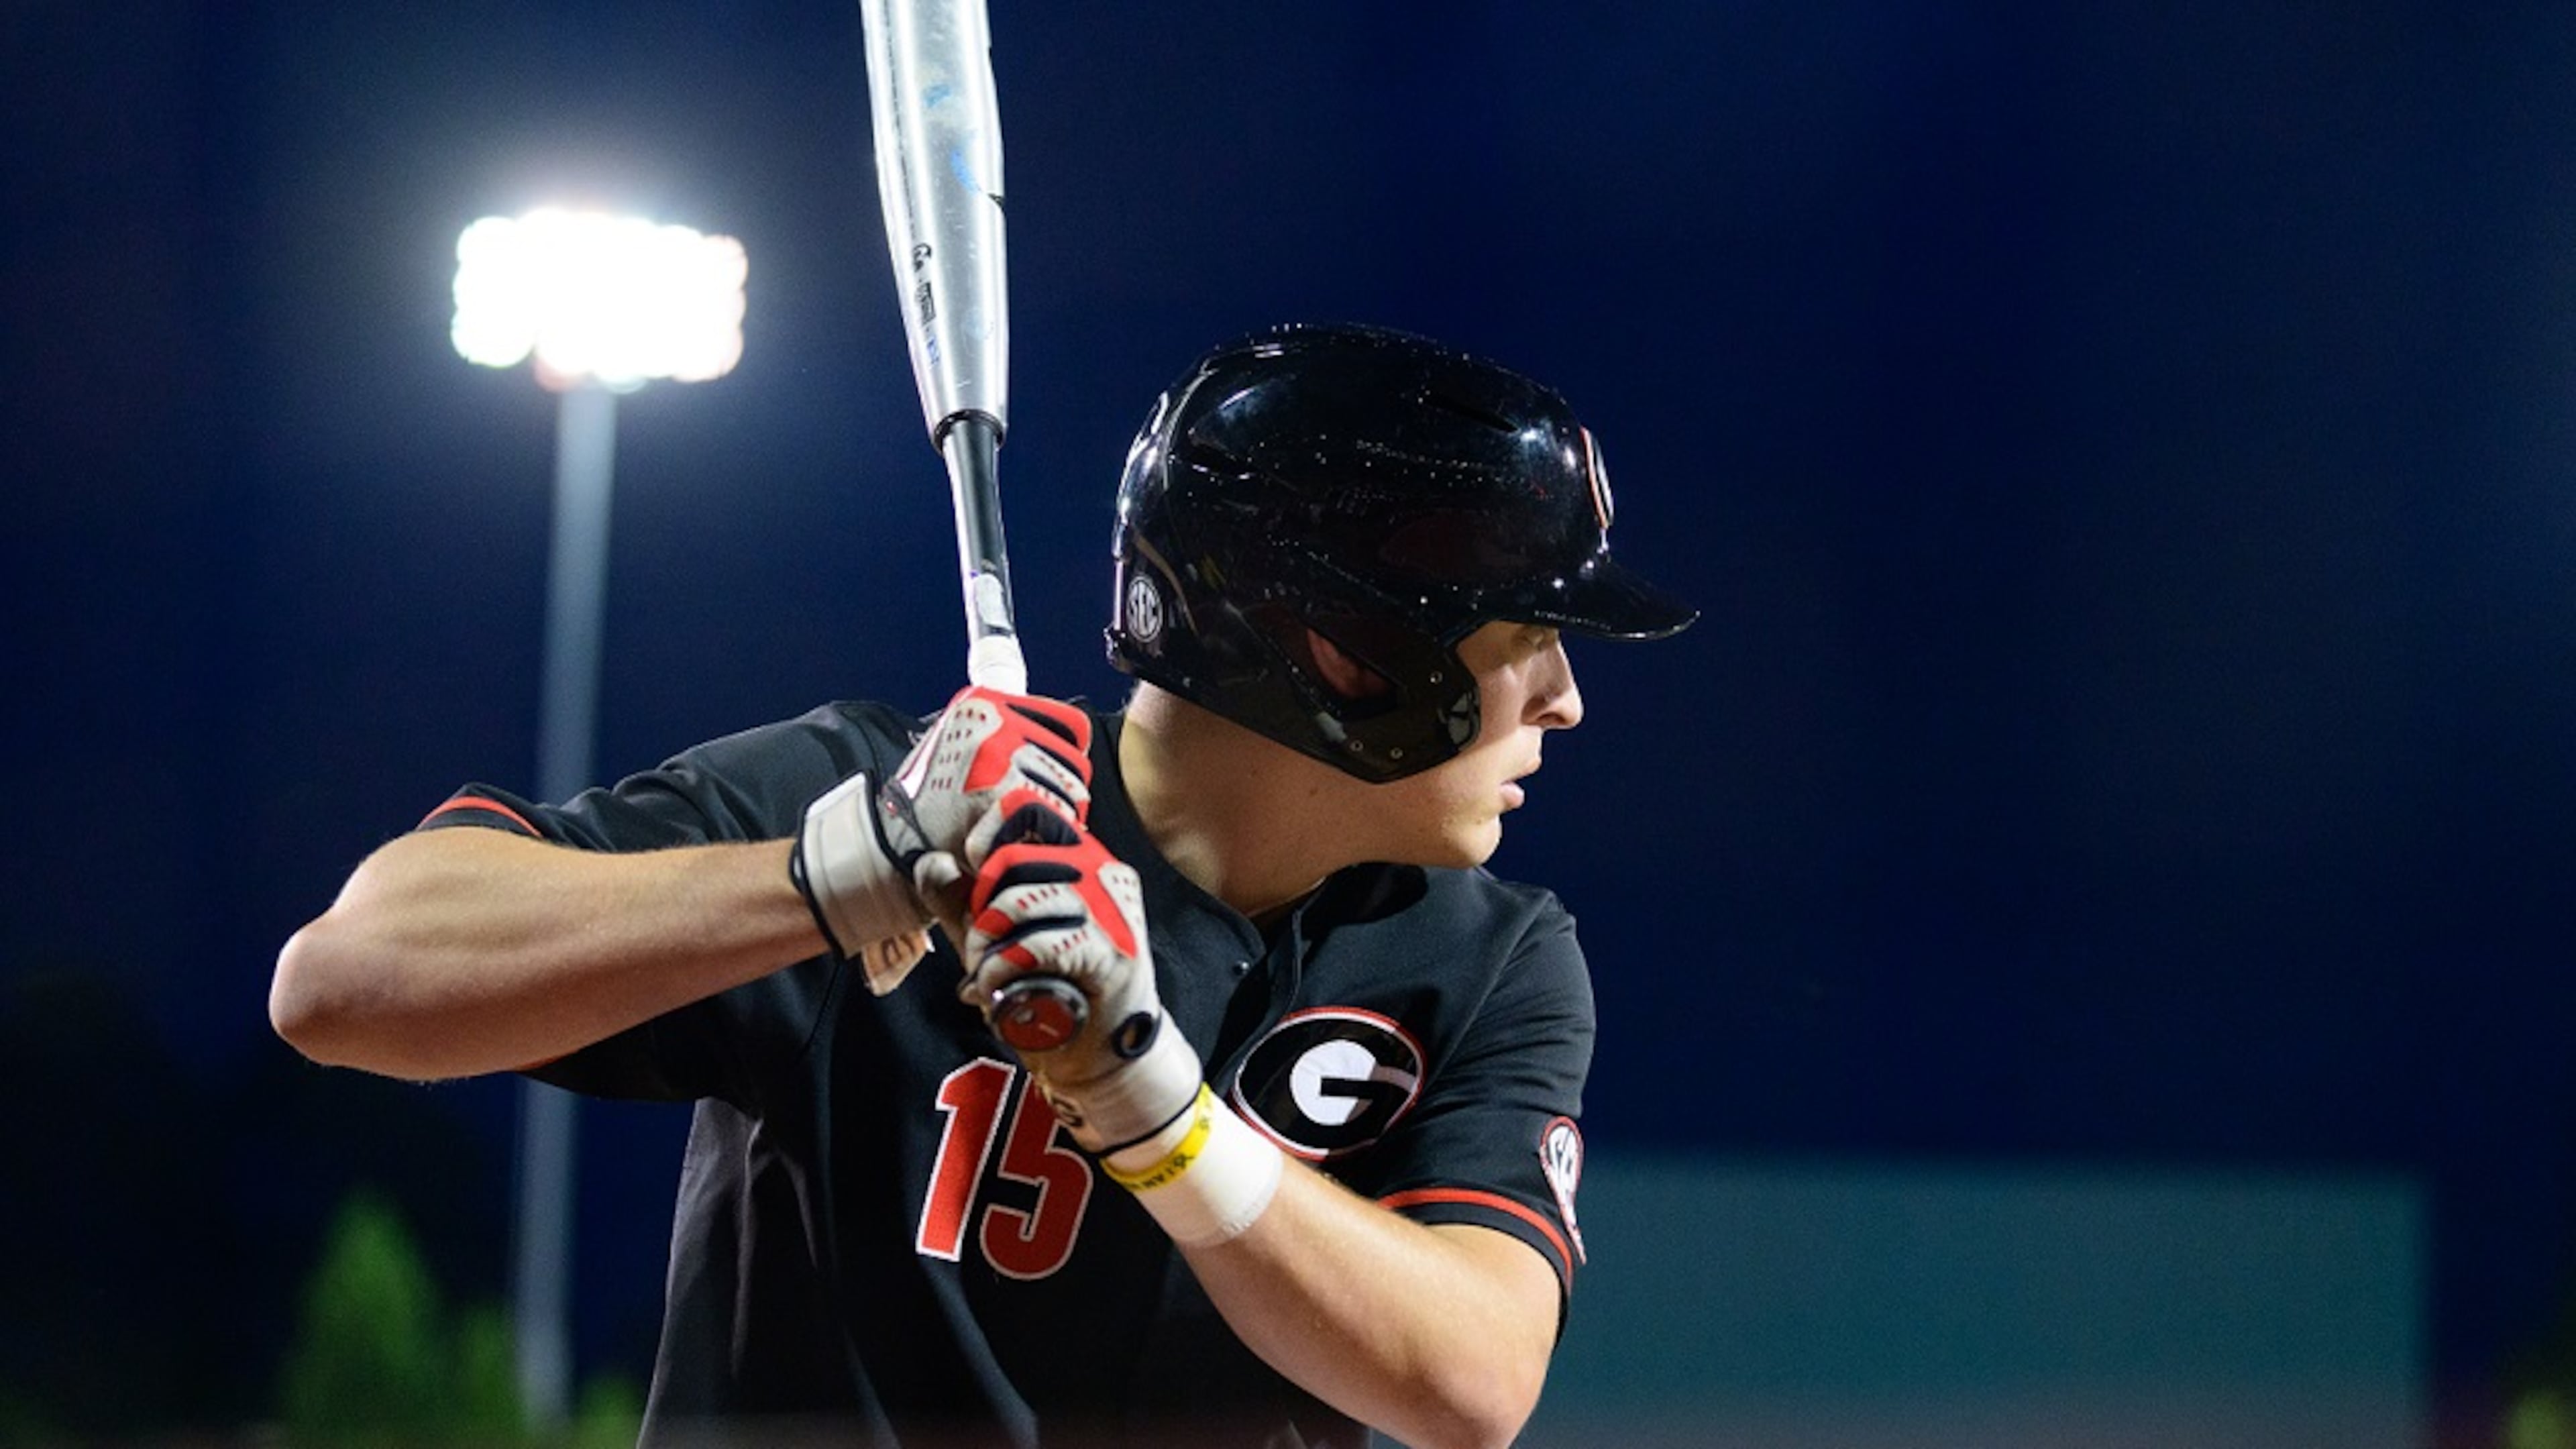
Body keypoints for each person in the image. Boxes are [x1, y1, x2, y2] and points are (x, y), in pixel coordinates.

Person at [271, 321, 1695, 1449]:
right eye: (1524, 636)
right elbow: (343, 983)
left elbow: (1472, 1383)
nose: (1564, 700)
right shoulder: (886, 795)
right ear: (1344, 653)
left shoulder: (1488, 956)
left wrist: (1153, 1106)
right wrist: (847, 873)